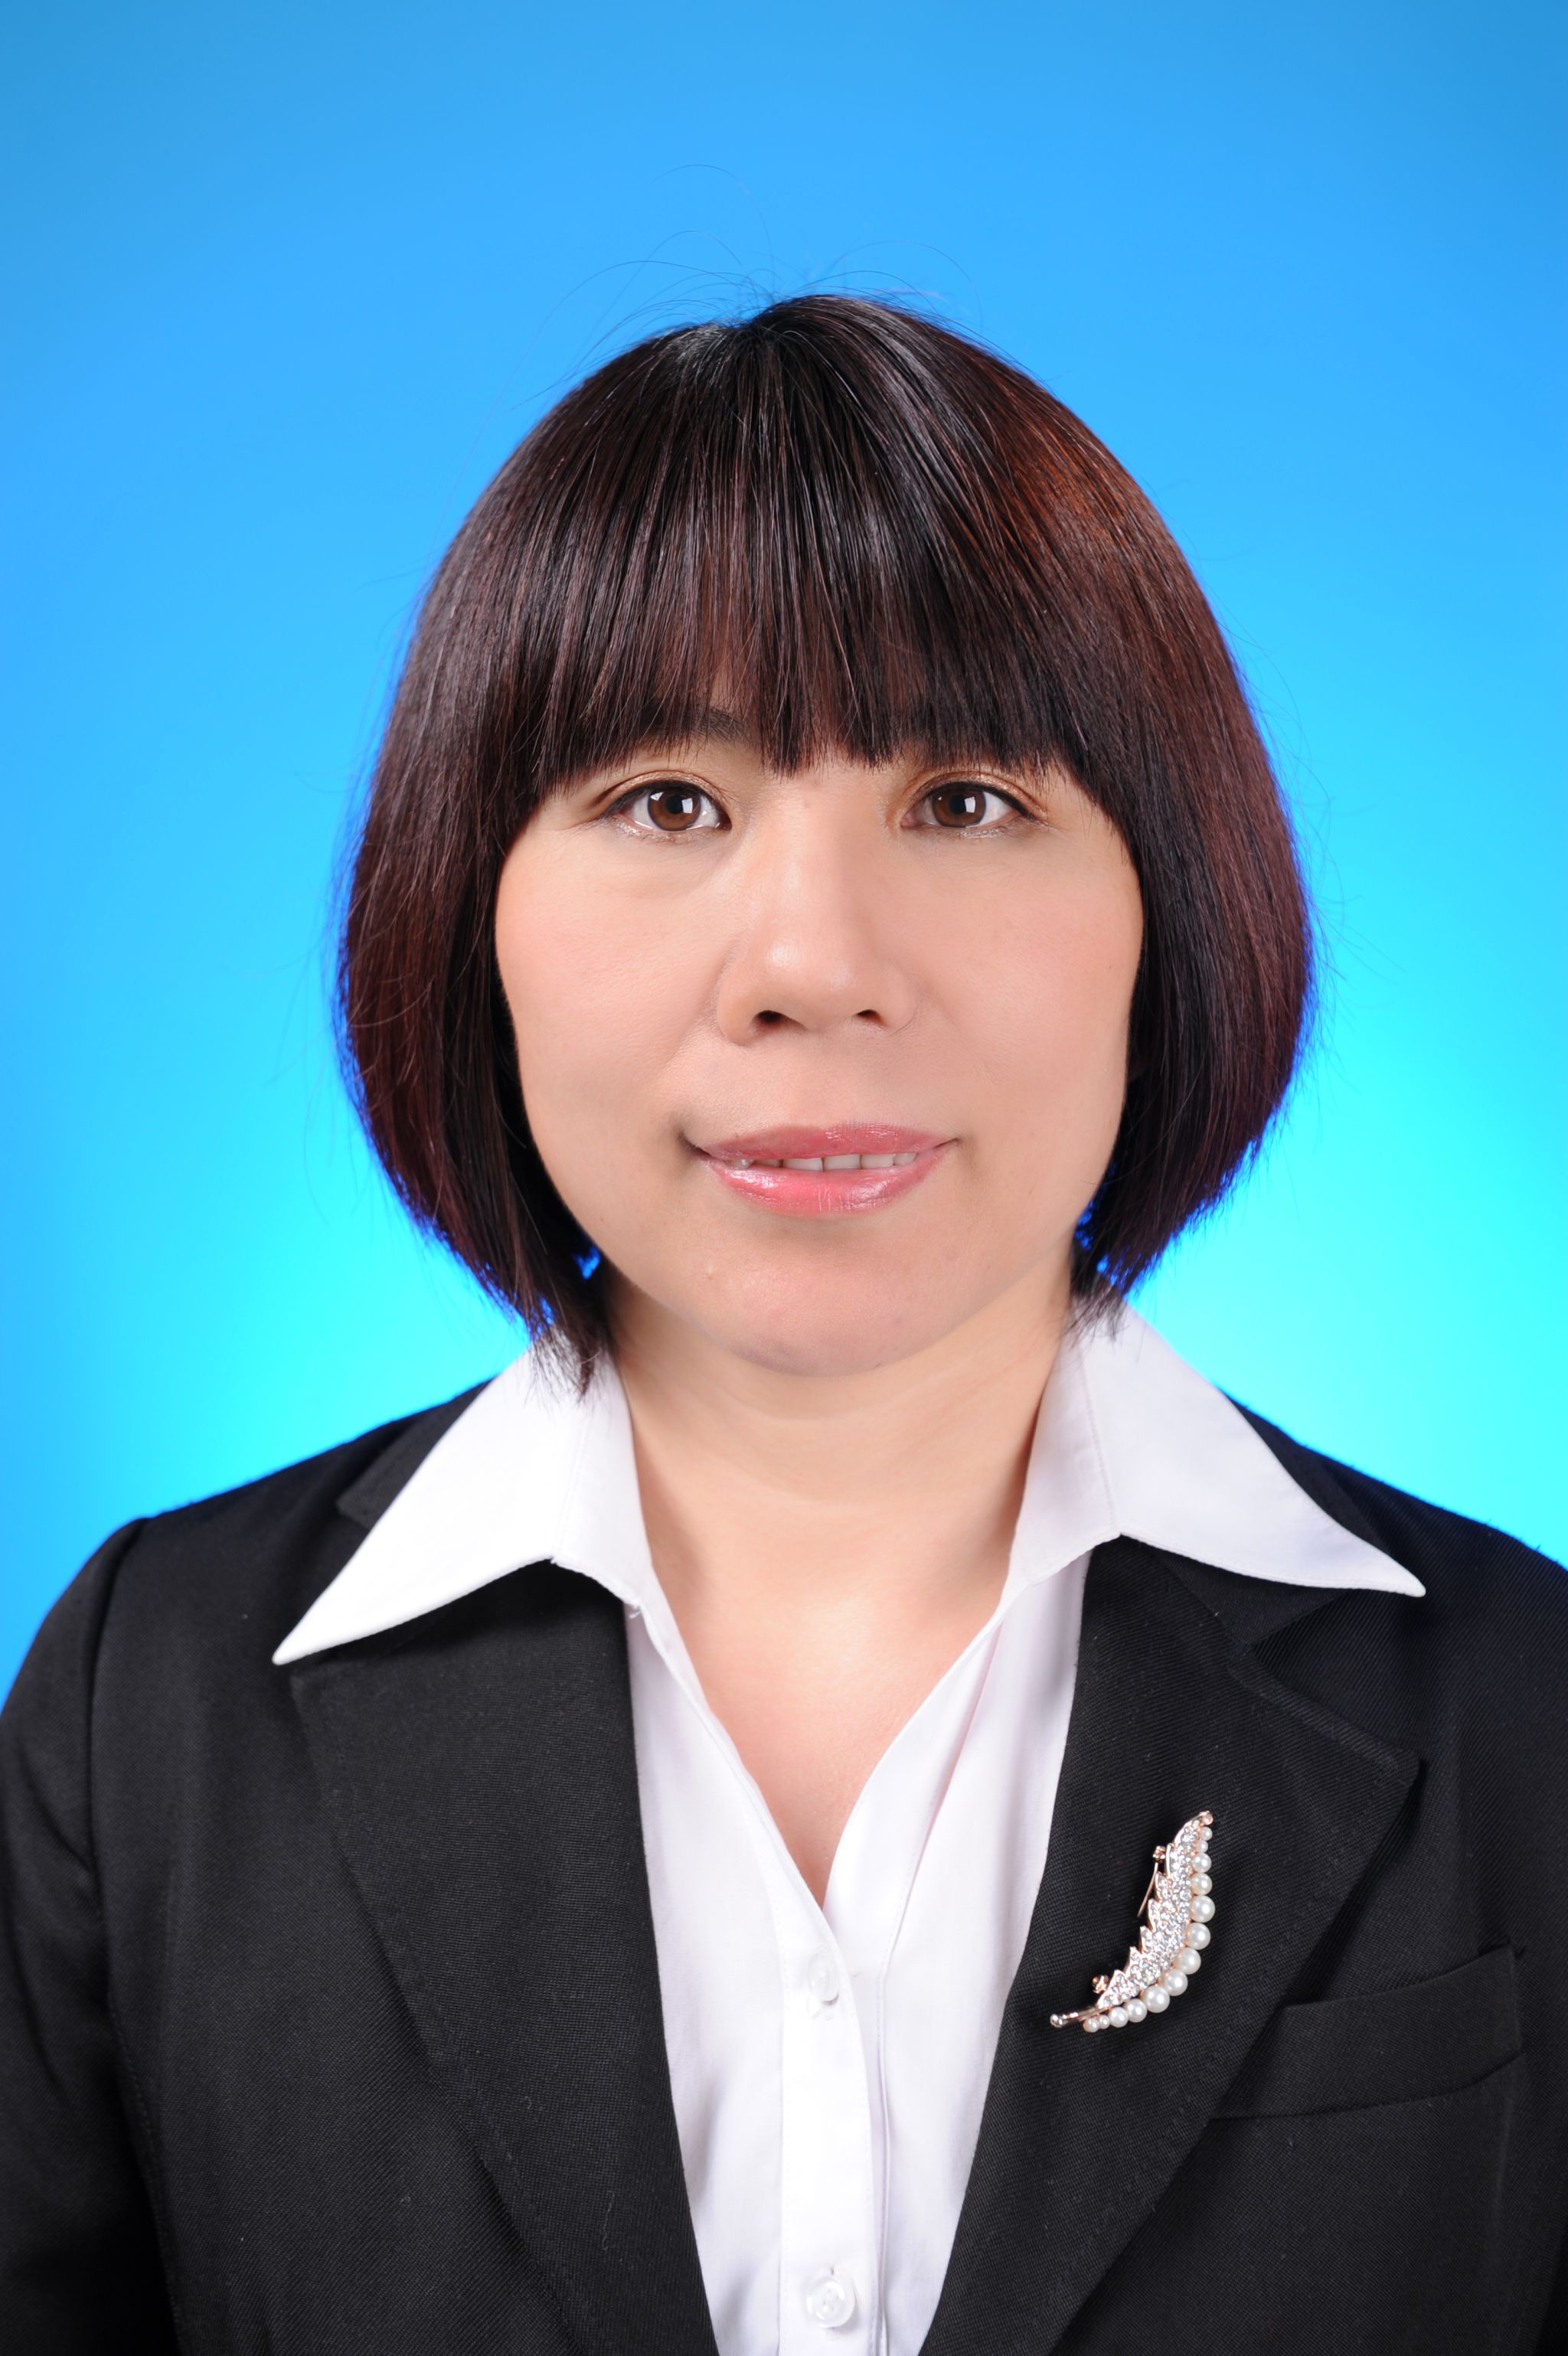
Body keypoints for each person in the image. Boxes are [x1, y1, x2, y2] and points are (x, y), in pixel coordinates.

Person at [2, 295, 1563, 2356]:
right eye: (667, 801)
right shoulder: (152, 1707)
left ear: (1172, 907)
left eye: (967, 800)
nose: (815, 966)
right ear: (466, 909)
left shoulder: (1523, 1707)